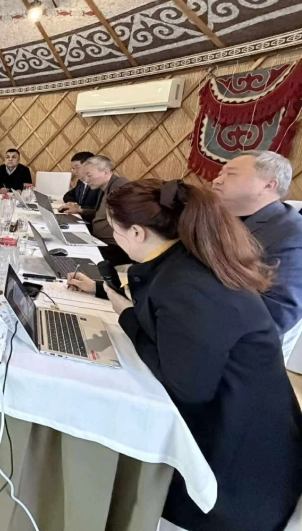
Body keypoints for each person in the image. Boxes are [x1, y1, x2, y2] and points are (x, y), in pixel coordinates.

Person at [68, 179, 302, 531]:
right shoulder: (185, 261)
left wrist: (126, 317)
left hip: (236, 468)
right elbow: (164, 319)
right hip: (244, 432)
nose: (115, 237)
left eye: (116, 230)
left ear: (137, 233)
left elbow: (186, 387)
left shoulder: (188, 286)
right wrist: (106, 292)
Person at [212, 151, 302, 357]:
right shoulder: (218, 219)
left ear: (269, 185)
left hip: (237, 349)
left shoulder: (291, 234)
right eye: (220, 173)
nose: (216, 180)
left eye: (230, 174)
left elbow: (278, 312)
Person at [60, 155, 130, 265]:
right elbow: (101, 213)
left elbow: (128, 219)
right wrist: (81, 211)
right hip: (98, 240)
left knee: (71, 258)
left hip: (113, 247)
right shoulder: (105, 187)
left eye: (89, 175)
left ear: (106, 172)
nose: (86, 180)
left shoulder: (120, 188)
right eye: (85, 175)